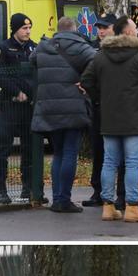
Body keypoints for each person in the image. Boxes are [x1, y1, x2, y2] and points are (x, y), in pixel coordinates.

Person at [81, 14, 138, 223]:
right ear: (127, 31)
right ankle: (132, 207)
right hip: (136, 119)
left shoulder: (101, 55)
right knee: (133, 163)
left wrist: (100, 99)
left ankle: (108, 206)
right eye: (134, 27)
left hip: (109, 118)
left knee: (109, 162)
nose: (137, 29)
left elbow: (86, 79)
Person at [30, 25, 97, 212]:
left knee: (58, 153)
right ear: (74, 29)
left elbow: (32, 59)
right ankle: (64, 199)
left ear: (58, 29)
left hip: (49, 107)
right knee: (70, 153)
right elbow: (97, 59)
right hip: (73, 107)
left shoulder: (44, 46)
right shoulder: (79, 46)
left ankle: (57, 198)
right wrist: (85, 81)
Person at [0, 12, 38, 205]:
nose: (27, 32)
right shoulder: (3, 48)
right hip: (9, 105)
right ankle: (1, 190)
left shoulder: (33, 48)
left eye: (29, 28)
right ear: (15, 29)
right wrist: (17, 91)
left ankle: (27, 188)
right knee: (3, 147)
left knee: (28, 149)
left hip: (28, 108)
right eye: (24, 29)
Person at [83, 10, 123, 208]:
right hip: (98, 106)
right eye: (99, 27)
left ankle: (121, 194)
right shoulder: (92, 47)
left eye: (105, 27)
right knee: (99, 150)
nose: (101, 31)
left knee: (120, 153)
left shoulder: (121, 47)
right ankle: (98, 191)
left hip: (117, 106)